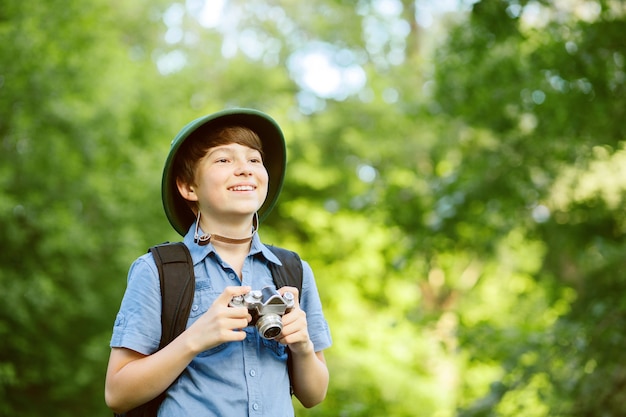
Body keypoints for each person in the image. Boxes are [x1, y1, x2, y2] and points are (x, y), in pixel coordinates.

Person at [105, 108, 332, 416]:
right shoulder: (157, 271)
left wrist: (302, 345)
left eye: (254, 159)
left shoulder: (292, 270)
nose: (245, 169)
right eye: (224, 159)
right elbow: (117, 394)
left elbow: (314, 394)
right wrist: (196, 338)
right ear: (188, 187)